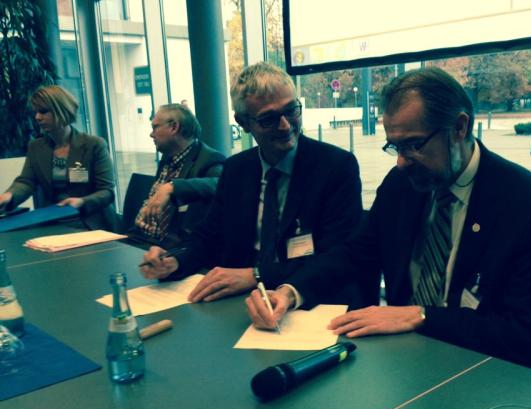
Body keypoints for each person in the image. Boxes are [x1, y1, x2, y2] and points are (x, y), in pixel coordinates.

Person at [247, 67, 531, 378]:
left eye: (414, 145)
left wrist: (422, 316)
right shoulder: (404, 184)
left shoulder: (529, 205)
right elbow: (355, 253)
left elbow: (530, 332)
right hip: (409, 364)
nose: (401, 161)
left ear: (459, 128)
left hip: (487, 371)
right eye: (395, 147)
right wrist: (291, 291)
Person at [140, 62, 363, 304]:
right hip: (240, 303)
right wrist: (175, 260)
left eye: (291, 110)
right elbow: (209, 235)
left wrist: (258, 275)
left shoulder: (335, 166)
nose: (286, 125)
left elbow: (337, 256)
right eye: (269, 119)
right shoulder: (237, 169)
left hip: (310, 301)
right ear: (243, 123)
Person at [0, 85, 116, 230]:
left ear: (61, 110)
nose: (37, 117)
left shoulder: (94, 145)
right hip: (52, 222)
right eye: (36, 112)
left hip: (89, 221)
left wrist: (81, 202)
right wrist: (8, 196)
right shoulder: (36, 147)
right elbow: (26, 182)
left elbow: (107, 192)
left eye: (43, 112)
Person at [128, 103, 225, 247]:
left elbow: (221, 184)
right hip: (140, 238)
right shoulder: (168, 157)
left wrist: (172, 187)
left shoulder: (209, 158)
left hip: (171, 248)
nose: (151, 134)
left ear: (174, 127)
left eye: (155, 127)